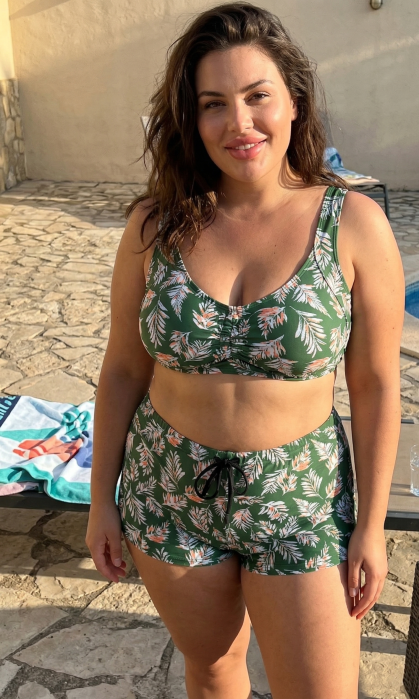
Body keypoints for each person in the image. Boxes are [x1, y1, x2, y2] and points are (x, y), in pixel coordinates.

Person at [86, 4, 405, 698]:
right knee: (211, 668)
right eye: (213, 104)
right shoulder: (155, 225)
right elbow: (123, 369)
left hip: (300, 498)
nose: (239, 122)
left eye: (258, 96)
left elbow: (377, 384)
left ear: (294, 101)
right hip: (168, 486)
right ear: (190, 117)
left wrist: (371, 526)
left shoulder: (353, 224)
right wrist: (100, 498)